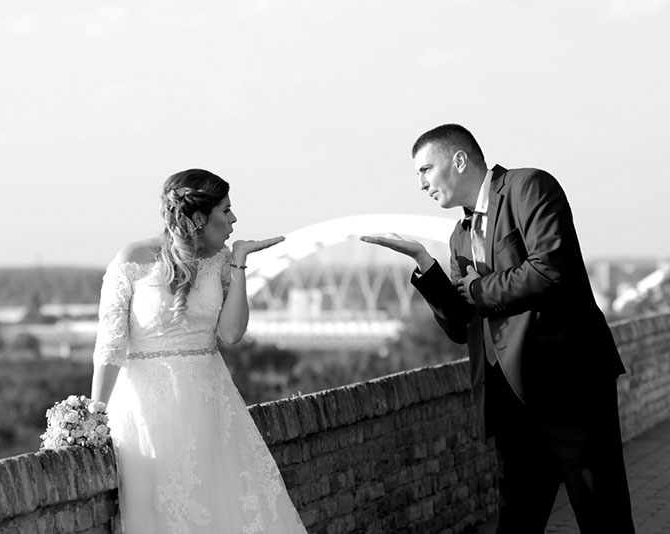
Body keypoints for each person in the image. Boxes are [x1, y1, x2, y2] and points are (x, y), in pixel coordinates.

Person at [361, 124, 634, 533]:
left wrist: (477, 288)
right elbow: (460, 324)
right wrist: (424, 263)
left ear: (458, 160)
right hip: (510, 402)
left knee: (603, 518)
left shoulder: (529, 188)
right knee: (517, 522)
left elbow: (549, 270)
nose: (421, 184)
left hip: (568, 389)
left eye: (425, 170)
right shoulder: (459, 236)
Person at [90, 169, 308, 534]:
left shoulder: (221, 260)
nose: (234, 219)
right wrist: (92, 417)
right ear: (197, 217)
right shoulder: (132, 258)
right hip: (147, 414)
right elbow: (109, 346)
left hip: (212, 408)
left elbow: (232, 333)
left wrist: (239, 261)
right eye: (226, 210)